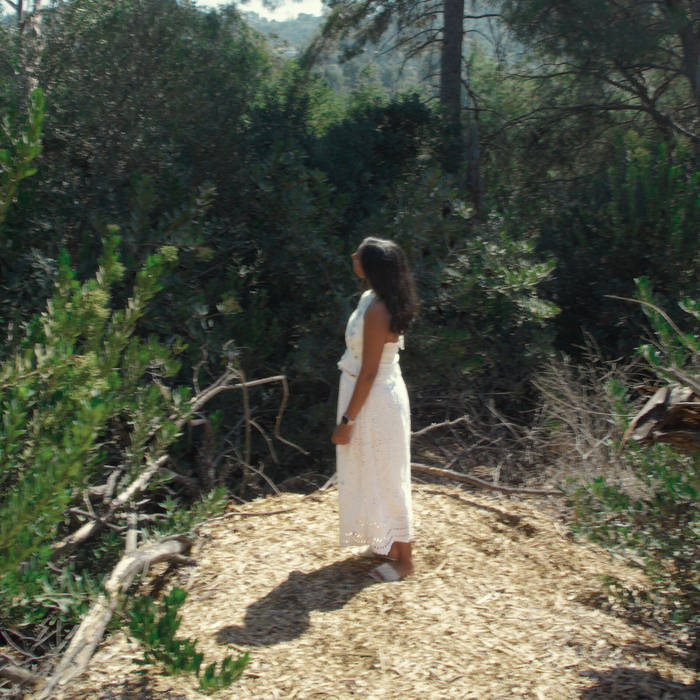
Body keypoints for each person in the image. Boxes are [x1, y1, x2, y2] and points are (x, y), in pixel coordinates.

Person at [331, 237, 419, 582]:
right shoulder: (371, 299)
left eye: (359, 254)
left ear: (372, 267)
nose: (353, 254)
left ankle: (405, 560)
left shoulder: (378, 311)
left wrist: (347, 420)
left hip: (375, 400)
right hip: (366, 393)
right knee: (370, 470)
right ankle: (386, 544)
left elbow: (369, 372)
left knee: (388, 475)